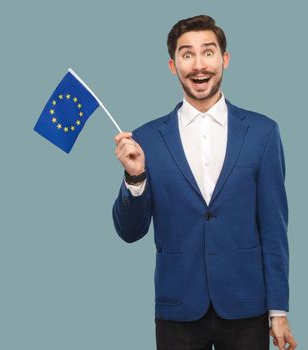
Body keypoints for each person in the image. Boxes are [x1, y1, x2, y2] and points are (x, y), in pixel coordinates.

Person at [112, 15, 297, 350]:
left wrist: (279, 310)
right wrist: (135, 177)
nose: (199, 65)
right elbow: (129, 231)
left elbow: (274, 228)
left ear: (224, 59)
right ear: (173, 65)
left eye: (208, 52)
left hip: (246, 306)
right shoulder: (147, 139)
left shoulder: (263, 132)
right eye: (187, 55)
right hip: (177, 308)